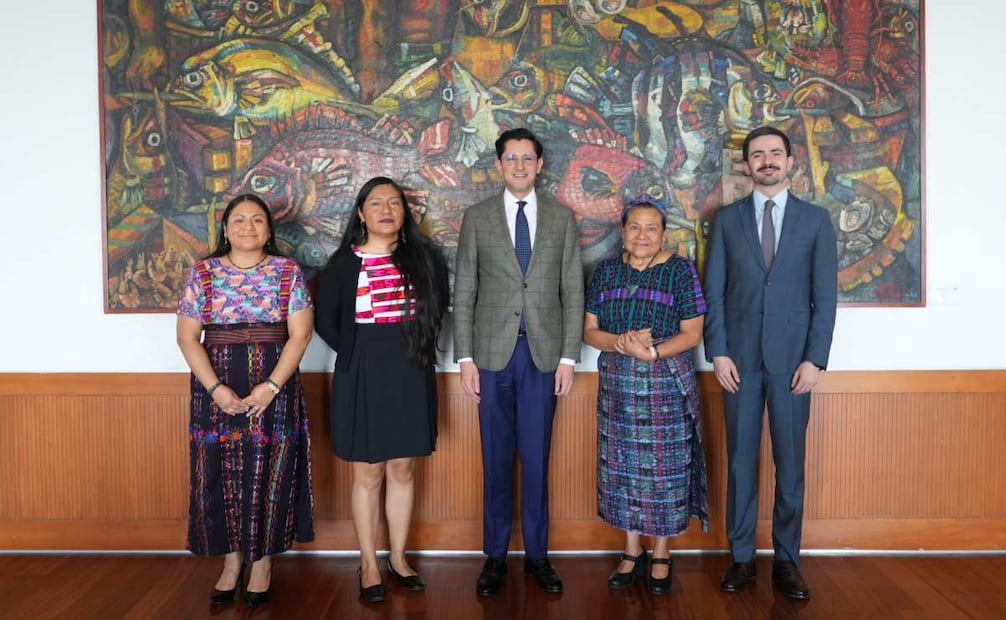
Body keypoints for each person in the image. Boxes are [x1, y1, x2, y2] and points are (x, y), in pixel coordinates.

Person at [703, 126, 838, 601]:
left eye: (774, 154)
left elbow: (826, 297)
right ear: (746, 165)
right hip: (737, 362)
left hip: (792, 364)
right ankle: (741, 558)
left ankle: (787, 560)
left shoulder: (816, 221)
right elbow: (713, 293)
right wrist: (717, 350)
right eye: (757, 155)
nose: (766, 161)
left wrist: (815, 360)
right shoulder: (725, 220)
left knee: (790, 465)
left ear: (790, 161)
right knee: (741, 463)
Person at [454, 127, 585, 596]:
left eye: (528, 158)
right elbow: (465, 289)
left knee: (536, 459)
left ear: (540, 164)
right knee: (495, 460)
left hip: (544, 357)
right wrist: (465, 357)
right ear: (499, 165)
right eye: (511, 158)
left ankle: (537, 556)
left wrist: (568, 358)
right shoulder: (477, 217)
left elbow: (572, 290)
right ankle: (494, 557)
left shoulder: (562, 218)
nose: (520, 166)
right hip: (490, 357)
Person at [176, 193, 315, 609]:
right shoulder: (202, 274)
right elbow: (187, 338)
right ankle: (232, 562)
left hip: (275, 380)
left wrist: (270, 387)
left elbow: (301, 334)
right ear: (225, 228)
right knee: (218, 473)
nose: (248, 227)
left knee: (269, 471)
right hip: (215, 382)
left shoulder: (287, 272)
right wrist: (217, 389)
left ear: (269, 230)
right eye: (239, 220)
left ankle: (263, 564)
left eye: (258, 220)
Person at [314, 176, 448, 603]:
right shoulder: (343, 264)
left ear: (404, 213)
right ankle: (369, 562)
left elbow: (439, 308)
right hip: (363, 371)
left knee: (403, 469)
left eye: (395, 202)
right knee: (368, 472)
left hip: (411, 368)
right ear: (361, 213)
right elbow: (324, 321)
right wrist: (356, 351)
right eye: (376, 203)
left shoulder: (425, 259)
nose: (386, 209)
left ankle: (400, 558)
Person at [583, 196, 709, 596]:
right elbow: (589, 331)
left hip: (665, 382)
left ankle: (661, 551)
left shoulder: (680, 271)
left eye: (651, 228)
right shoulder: (605, 272)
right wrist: (621, 343)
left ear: (663, 233)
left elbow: (692, 333)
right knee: (623, 470)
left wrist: (651, 352)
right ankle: (631, 549)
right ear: (623, 232)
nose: (642, 235)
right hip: (618, 384)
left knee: (663, 472)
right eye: (634, 227)